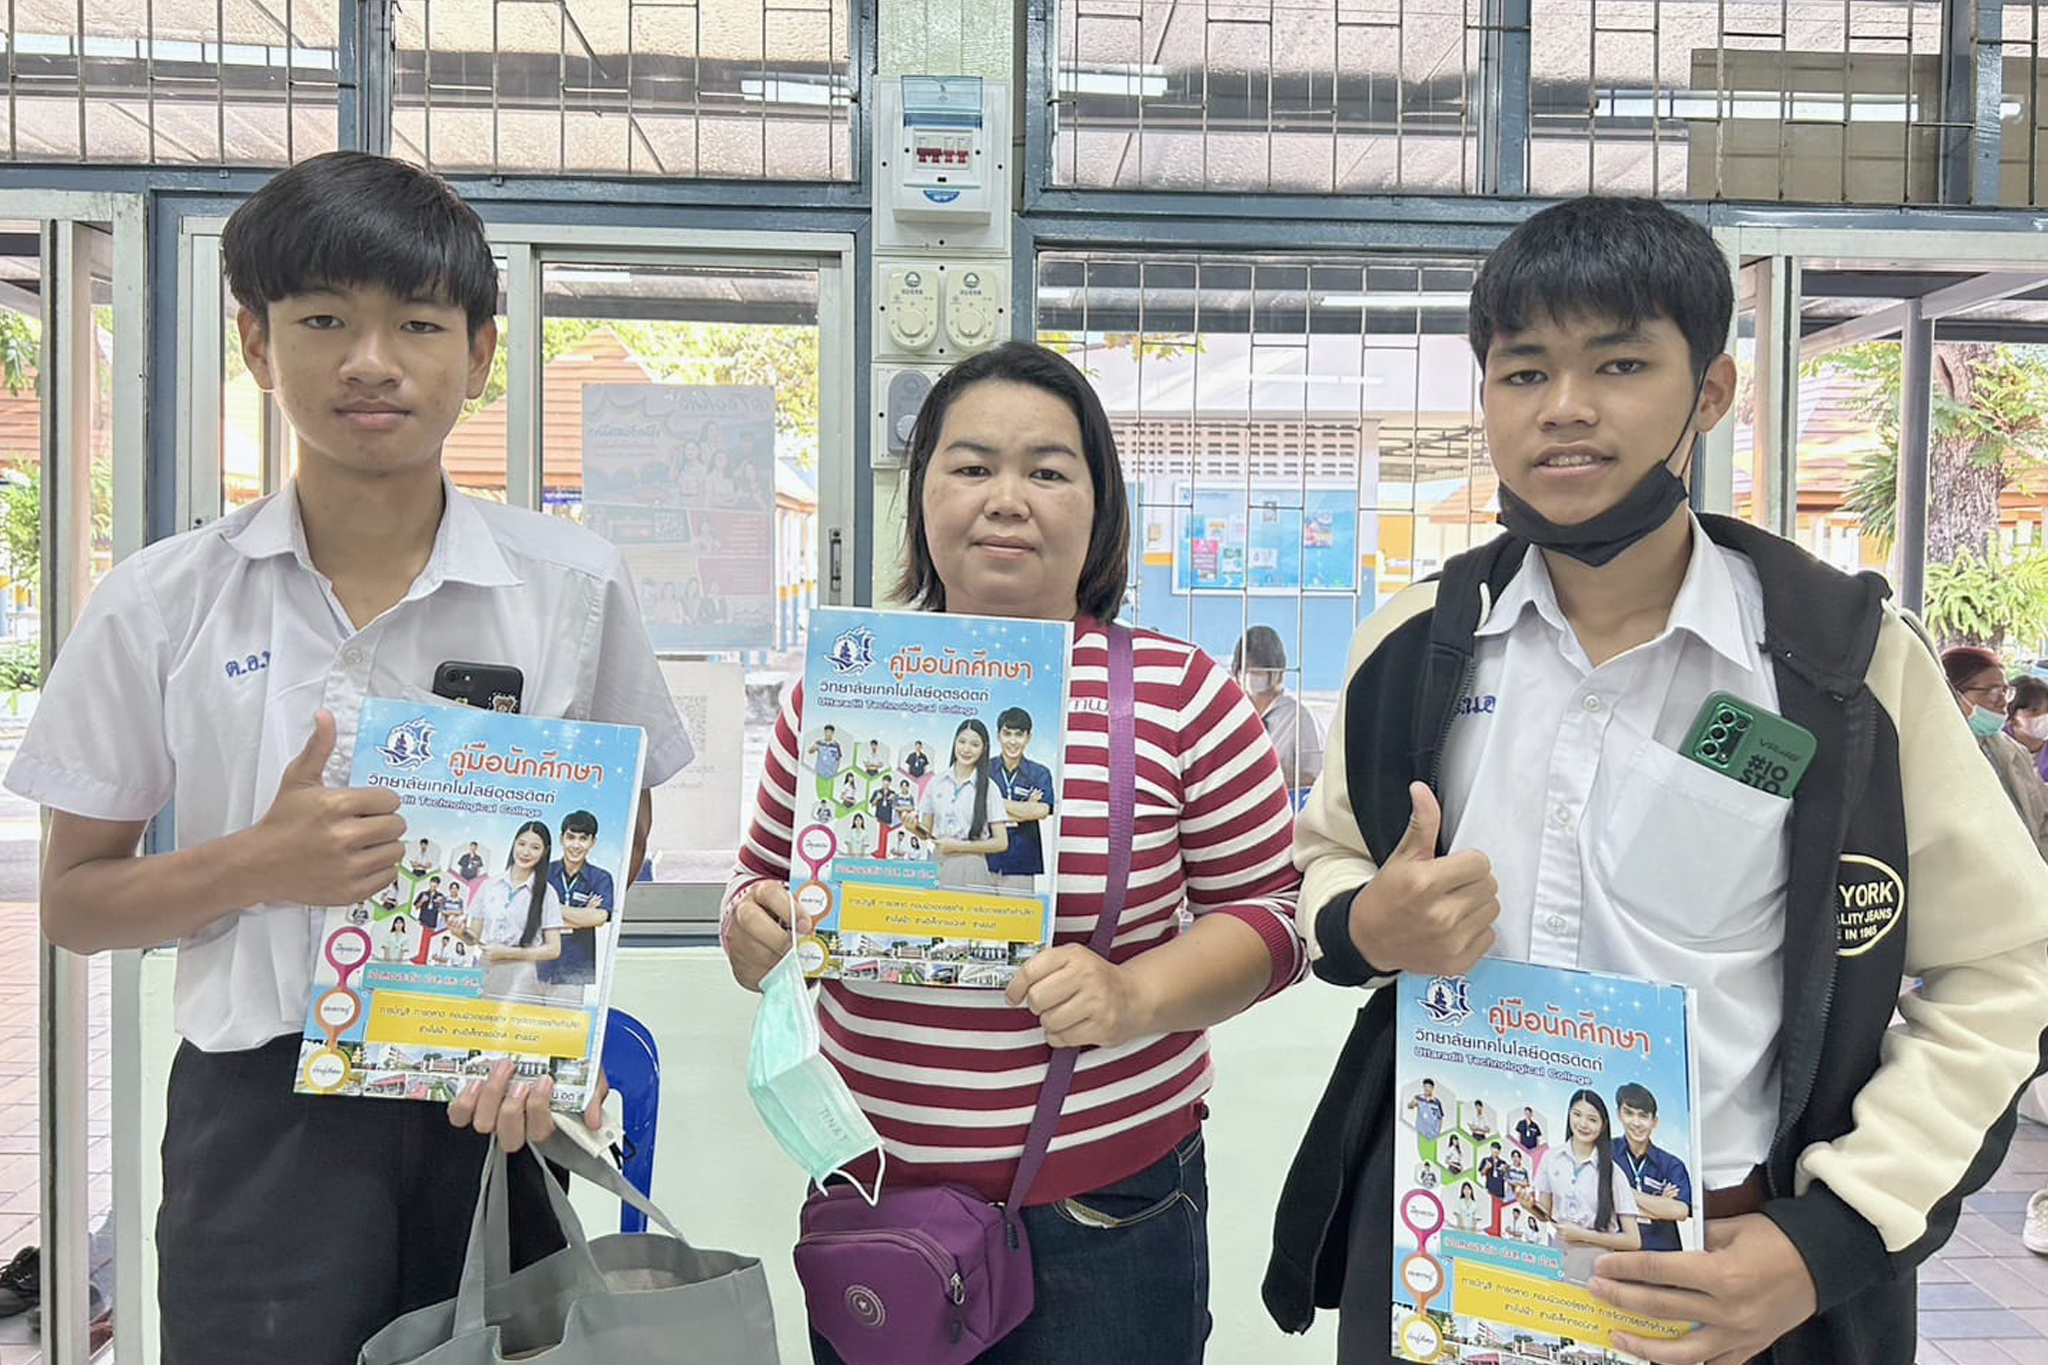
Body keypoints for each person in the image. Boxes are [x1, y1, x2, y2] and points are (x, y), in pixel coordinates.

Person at [1268, 196, 2048, 1365]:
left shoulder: (1840, 667)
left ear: (1711, 393)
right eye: (1521, 372)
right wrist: (1365, 920)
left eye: (1619, 363)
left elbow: (2001, 967)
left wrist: (1827, 1237)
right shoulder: (1414, 649)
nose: (1564, 408)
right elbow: (1324, 858)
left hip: (1727, 1277)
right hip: (1459, 1243)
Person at [3, 151, 692, 1365]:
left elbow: (622, 838)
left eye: (416, 324)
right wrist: (258, 862)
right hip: (259, 1129)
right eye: (322, 319)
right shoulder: (163, 601)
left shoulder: (570, 587)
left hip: (493, 1102)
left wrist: (545, 993)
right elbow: (71, 904)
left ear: (479, 354)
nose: (369, 361)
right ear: (258, 347)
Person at [720, 341, 1307, 1364]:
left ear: (1097, 505)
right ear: (922, 497)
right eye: (970, 465)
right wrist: (752, 927)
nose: (1005, 498)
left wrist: (1133, 998)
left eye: (1046, 470)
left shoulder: (1180, 697)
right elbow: (757, 888)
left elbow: (1274, 923)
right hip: (875, 1201)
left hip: (1106, 1217)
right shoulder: (841, 692)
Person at [1520, 1090, 1641, 1283]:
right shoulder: (1551, 1158)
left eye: (1592, 1119)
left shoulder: (1613, 1173)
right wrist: (1528, 1205)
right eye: (1577, 1115)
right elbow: (1544, 1214)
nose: (1582, 1124)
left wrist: (1584, 1235)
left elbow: (1633, 1240)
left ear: (1603, 1126)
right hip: (1559, 1254)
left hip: (1597, 1263)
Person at [1947, 647, 2048, 860]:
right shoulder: (1938, 757)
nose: (2003, 701)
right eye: (1992, 692)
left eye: (2005, 691)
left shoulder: (2012, 752)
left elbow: (2040, 819)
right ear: (1953, 694)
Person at [459, 821, 566, 1001]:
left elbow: (554, 949)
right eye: (521, 844)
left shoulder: (547, 893)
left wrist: (509, 953)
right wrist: (459, 932)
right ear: (514, 844)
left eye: (534, 847)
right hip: (484, 971)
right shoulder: (489, 885)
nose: (525, 852)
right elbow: (473, 938)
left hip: (521, 978)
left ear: (544, 852)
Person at [908, 718, 1009, 890]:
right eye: (962, 742)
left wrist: (960, 846)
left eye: (974, 744)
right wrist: (911, 827)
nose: (966, 749)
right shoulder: (936, 782)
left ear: (984, 748)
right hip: (939, 864)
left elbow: (1001, 842)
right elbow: (926, 832)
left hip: (973, 867)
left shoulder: (989, 788)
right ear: (954, 742)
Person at [1230, 624, 1324, 789]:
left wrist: (1266, 776)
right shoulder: (1232, 716)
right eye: (1248, 669)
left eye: (1261, 670)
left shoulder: (1298, 717)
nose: (1254, 676)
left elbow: (1316, 779)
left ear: (1279, 672)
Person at [538, 810, 616, 995]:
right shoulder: (542, 872)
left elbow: (599, 918)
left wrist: (551, 908)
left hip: (573, 971)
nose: (575, 845)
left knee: (563, 1024)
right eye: (570, 837)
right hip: (536, 966)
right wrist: (582, 915)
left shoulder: (601, 878)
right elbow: (530, 914)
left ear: (592, 842)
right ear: (561, 839)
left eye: (583, 838)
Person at [1613, 1082, 1694, 1253]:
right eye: (1629, 1113)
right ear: (1619, 1114)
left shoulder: (1672, 1164)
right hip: (1615, 1254)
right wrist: (1660, 1205)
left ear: (1654, 1121)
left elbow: (1680, 1211)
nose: (1636, 1122)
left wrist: (1622, 1193)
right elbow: (1597, 1200)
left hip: (1664, 1255)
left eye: (1643, 1116)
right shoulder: (1605, 1153)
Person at [987, 706, 1056, 893]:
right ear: (998, 735)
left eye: (1018, 735)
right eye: (1007, 733)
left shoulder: (1039, 773)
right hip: (984, 861)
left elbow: (1041, 811)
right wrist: (1025, 809)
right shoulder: (984, 769)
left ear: (1028, 738)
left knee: (1015, 920)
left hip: (1022, 863)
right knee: (978, 919)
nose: (1012, 741)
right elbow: (973, 808)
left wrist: (993, 802)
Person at [1405, 1078, 1446, 1164]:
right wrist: (1412, 1103)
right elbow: (1410, 1106)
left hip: (1434, 1133)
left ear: (1432, 1088)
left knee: (1432, 1156)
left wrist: (1438, 1132)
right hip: (1422, 1132)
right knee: (1422, 1155)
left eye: (1429, 1087)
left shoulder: (1437, 1102)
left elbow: (1440, 1117)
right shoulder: (1419, 1098)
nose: (1427, 1089)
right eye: (1425, 1087)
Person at [868, 780, 899, 857]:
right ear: (882, 782)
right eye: (884, 783)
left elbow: (895, 806)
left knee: (885, 836)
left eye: (887, 783)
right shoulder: (877, 792)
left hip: (888, 817)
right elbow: (872, 804)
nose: (886, 785)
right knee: (877, 835)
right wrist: (877, 798)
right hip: (878, 816)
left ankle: (884, 853)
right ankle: (876, 852)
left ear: (890, 783)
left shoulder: (893, 793)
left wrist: (893, 799)